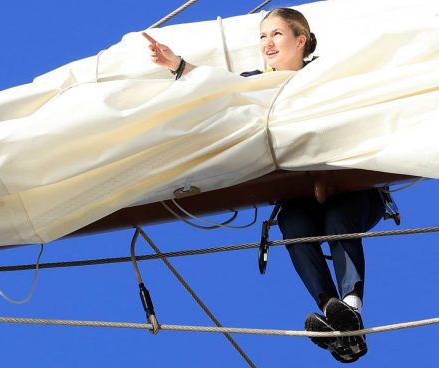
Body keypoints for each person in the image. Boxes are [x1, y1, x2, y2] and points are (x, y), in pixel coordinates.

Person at [143, 8, 387, 363]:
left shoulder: (327, 74)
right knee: (293, 225)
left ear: (300, 40)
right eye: (262, 37)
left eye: (275, 35)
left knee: (338, 221)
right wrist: (177, 65)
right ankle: (332, 314)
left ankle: (350, 305)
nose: (267, 43)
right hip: (301, 195)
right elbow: (218, 86)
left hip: (354, 191)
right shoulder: (258, 82)